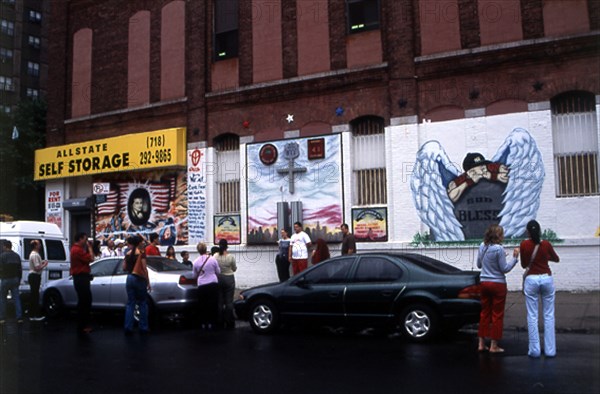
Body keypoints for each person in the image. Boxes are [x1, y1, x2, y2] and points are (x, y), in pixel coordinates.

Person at [520, 220, 560, 358]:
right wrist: (546, 256)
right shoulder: (546, 244)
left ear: (528, 231)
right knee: (548, 315)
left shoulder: (524, 244)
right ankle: (550, 350)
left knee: (532, 315)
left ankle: (535, 350)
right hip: (546, 278)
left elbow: (524, 264)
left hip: (531, 280)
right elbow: (556, 259)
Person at [476, 224, 519, 353]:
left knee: (484, 313)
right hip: (497, 284)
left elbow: (479, 265)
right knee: (497, 315)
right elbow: (504, 269)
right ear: (498, 236)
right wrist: (515, 258)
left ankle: (481, 343)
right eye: (502, 234)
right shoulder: (499, 249)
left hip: (484, 282)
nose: (503, 236)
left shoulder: (482, 246)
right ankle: (494, 345)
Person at [122, 236, 151, 335]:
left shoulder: (128, 253)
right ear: (138, 243)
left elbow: (124, 267)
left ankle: (128, 327)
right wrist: (148, 282)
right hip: (139, 279)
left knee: (130, 303)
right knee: (142, 303)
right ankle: (143, 327)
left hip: (129, 278)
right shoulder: (141, 254)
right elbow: (144, 268)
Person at [70, 232, 94, 334]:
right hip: (81, 278)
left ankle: (82, 324)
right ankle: (83, 325)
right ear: (80, 239)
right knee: (85, 301)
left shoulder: (75, 249)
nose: (86, 241)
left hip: (80, 277)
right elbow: (91, 258)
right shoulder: (77, 250)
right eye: (85, 239)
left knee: (83, 301)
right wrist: (90, 248)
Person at [192, 243, 220, 330]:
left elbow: (194, 275)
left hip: (202, 285)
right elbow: (218, 271)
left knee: (203, 305)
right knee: (213, 304)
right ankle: (213, 323)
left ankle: (204, 323)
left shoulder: (195, 262)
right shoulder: (212, 259)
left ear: (198, 250)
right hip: (212, 284)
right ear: (205, 249)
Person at [214, 239, 237, 329]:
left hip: (219, 278)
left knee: (220, 301)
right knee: (229, 301)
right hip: (229, 278)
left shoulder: (215, 256)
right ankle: (229, 321)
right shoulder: (230, 257)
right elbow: (234, 268)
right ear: (227, 246)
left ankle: (220, 321)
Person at [0, 239, 23, 324]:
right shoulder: (17, 256)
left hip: (5, 279)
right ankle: (19, 317)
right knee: (16, 298)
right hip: (15, 279)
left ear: (5, 246)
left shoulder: (2, 256)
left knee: (2, 298)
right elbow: (20, 269)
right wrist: (19, 279)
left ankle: (2, 318)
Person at [28, 240, 48, 321]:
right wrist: (44, 264)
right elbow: (37, 268)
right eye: (39, 244)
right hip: (35, 276)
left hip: (33, 276)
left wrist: (41, 262)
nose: (40, 245)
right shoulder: (35, 255)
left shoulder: (33, 254)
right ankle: (34, 315)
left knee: (33, 295)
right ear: (35, 246)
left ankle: (32, 314)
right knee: (35, 296)